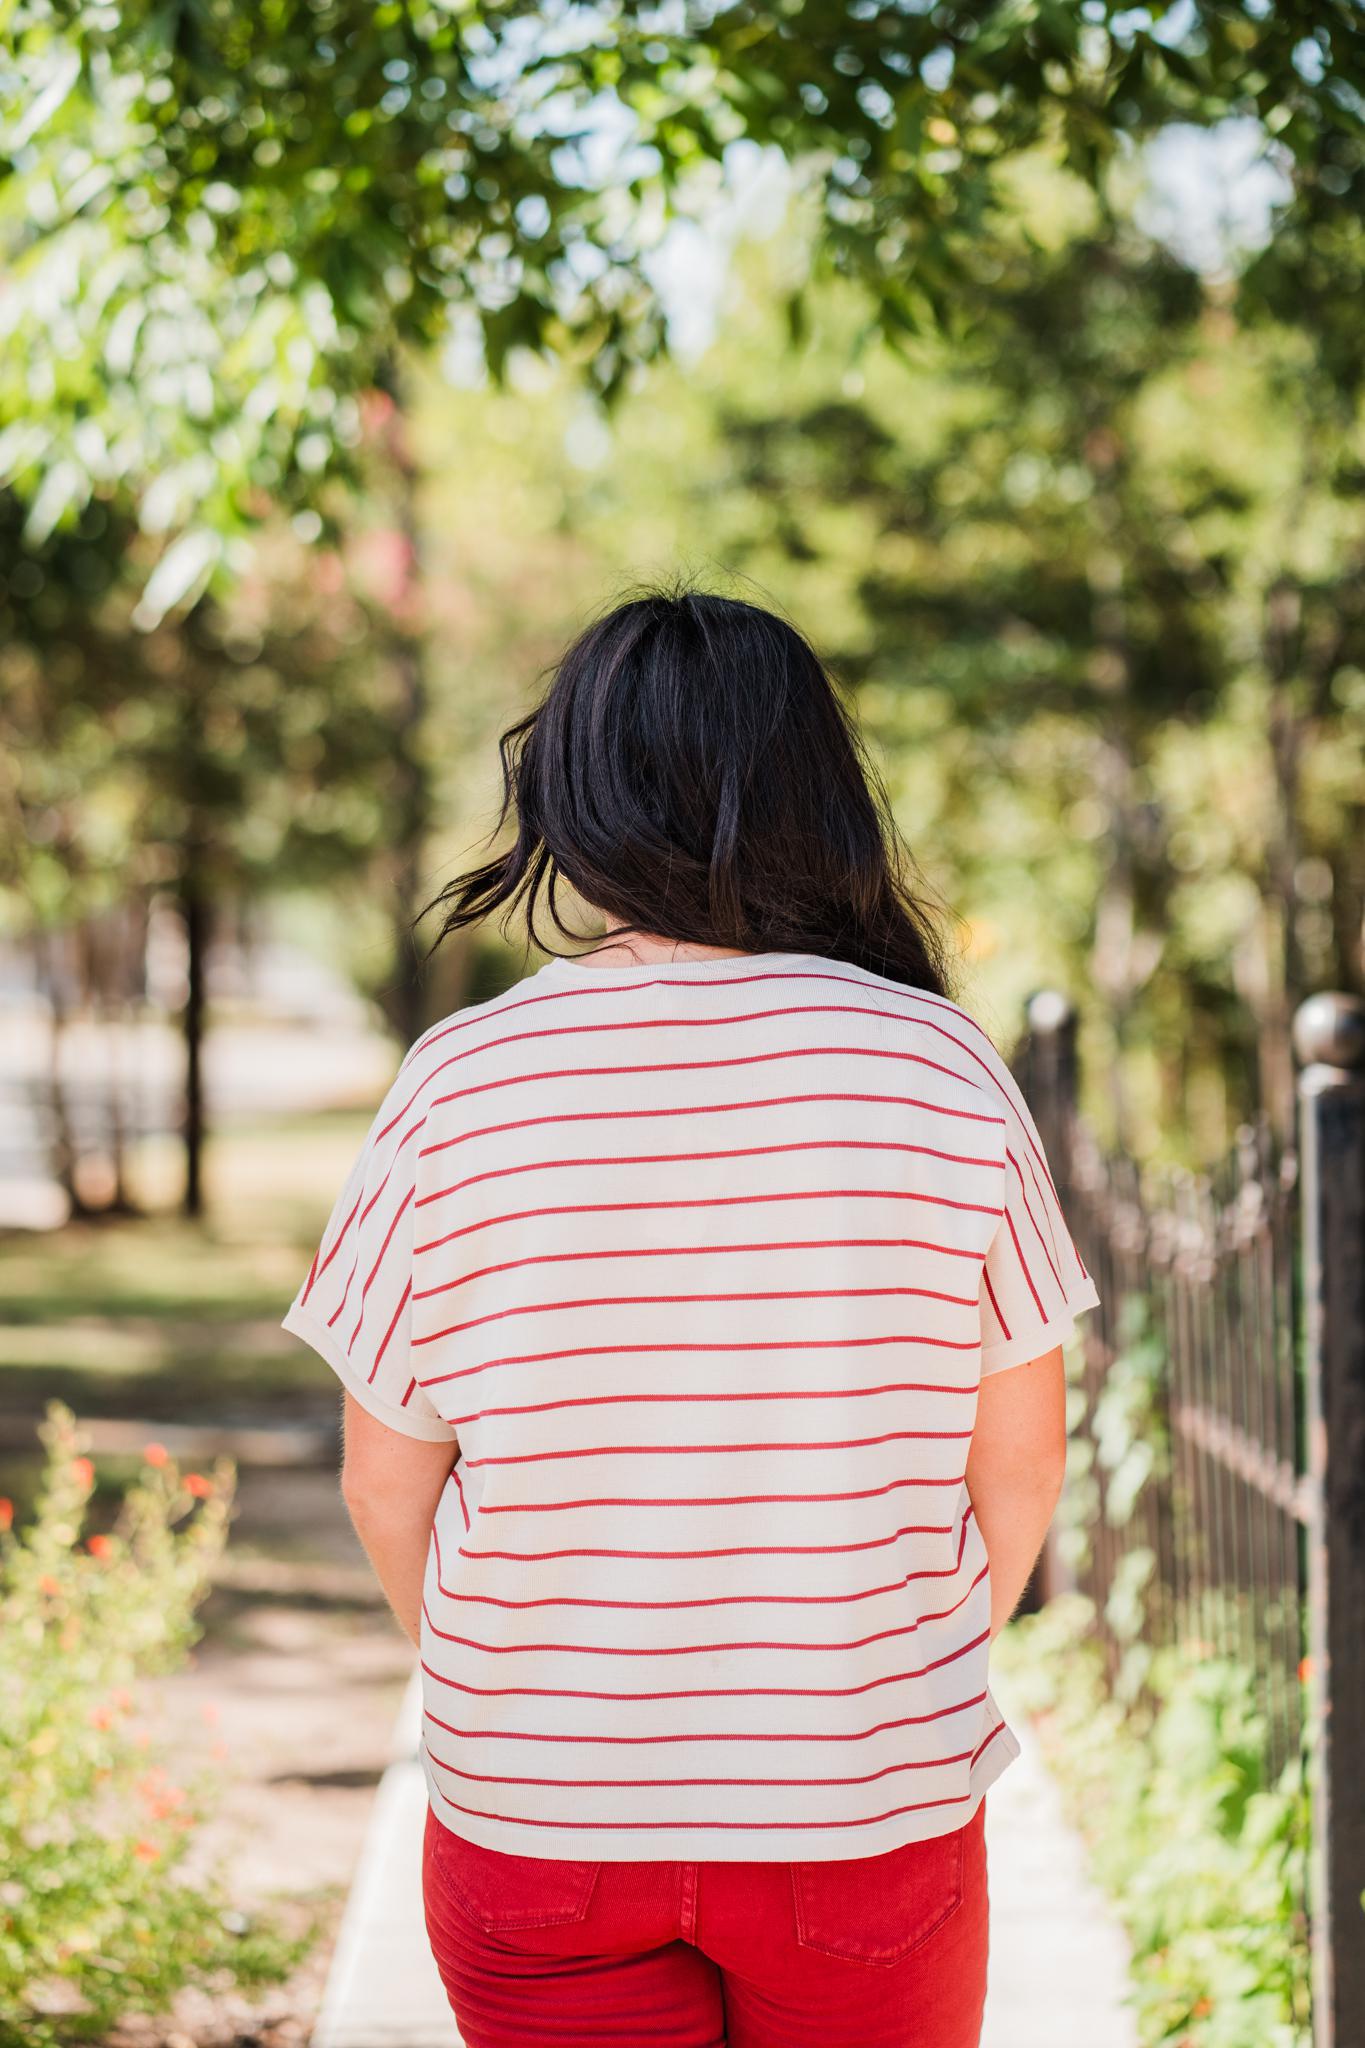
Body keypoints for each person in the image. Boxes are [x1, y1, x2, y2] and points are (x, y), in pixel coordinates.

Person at [281, 584, 1099, 2048]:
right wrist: (888, 1676)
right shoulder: (938, 1070)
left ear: (574, 799)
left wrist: (508, 1684)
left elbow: (381, 1476)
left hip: (535, 1820)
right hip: (862, 1812)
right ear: (814, 793)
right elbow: (1022, 1465)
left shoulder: (455, 1085)